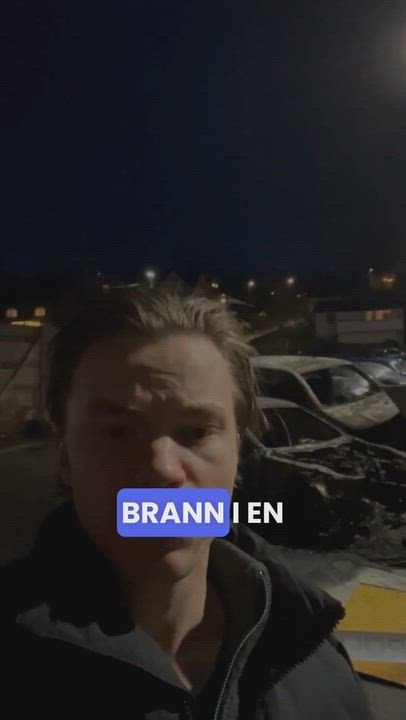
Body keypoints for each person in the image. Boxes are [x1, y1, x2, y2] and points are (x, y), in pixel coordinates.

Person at [2, 286, 372, 719]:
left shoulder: (313, 661)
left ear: (237, 451)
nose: (163, 469)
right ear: (65, 455)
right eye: (117, 432)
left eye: (196, 432)